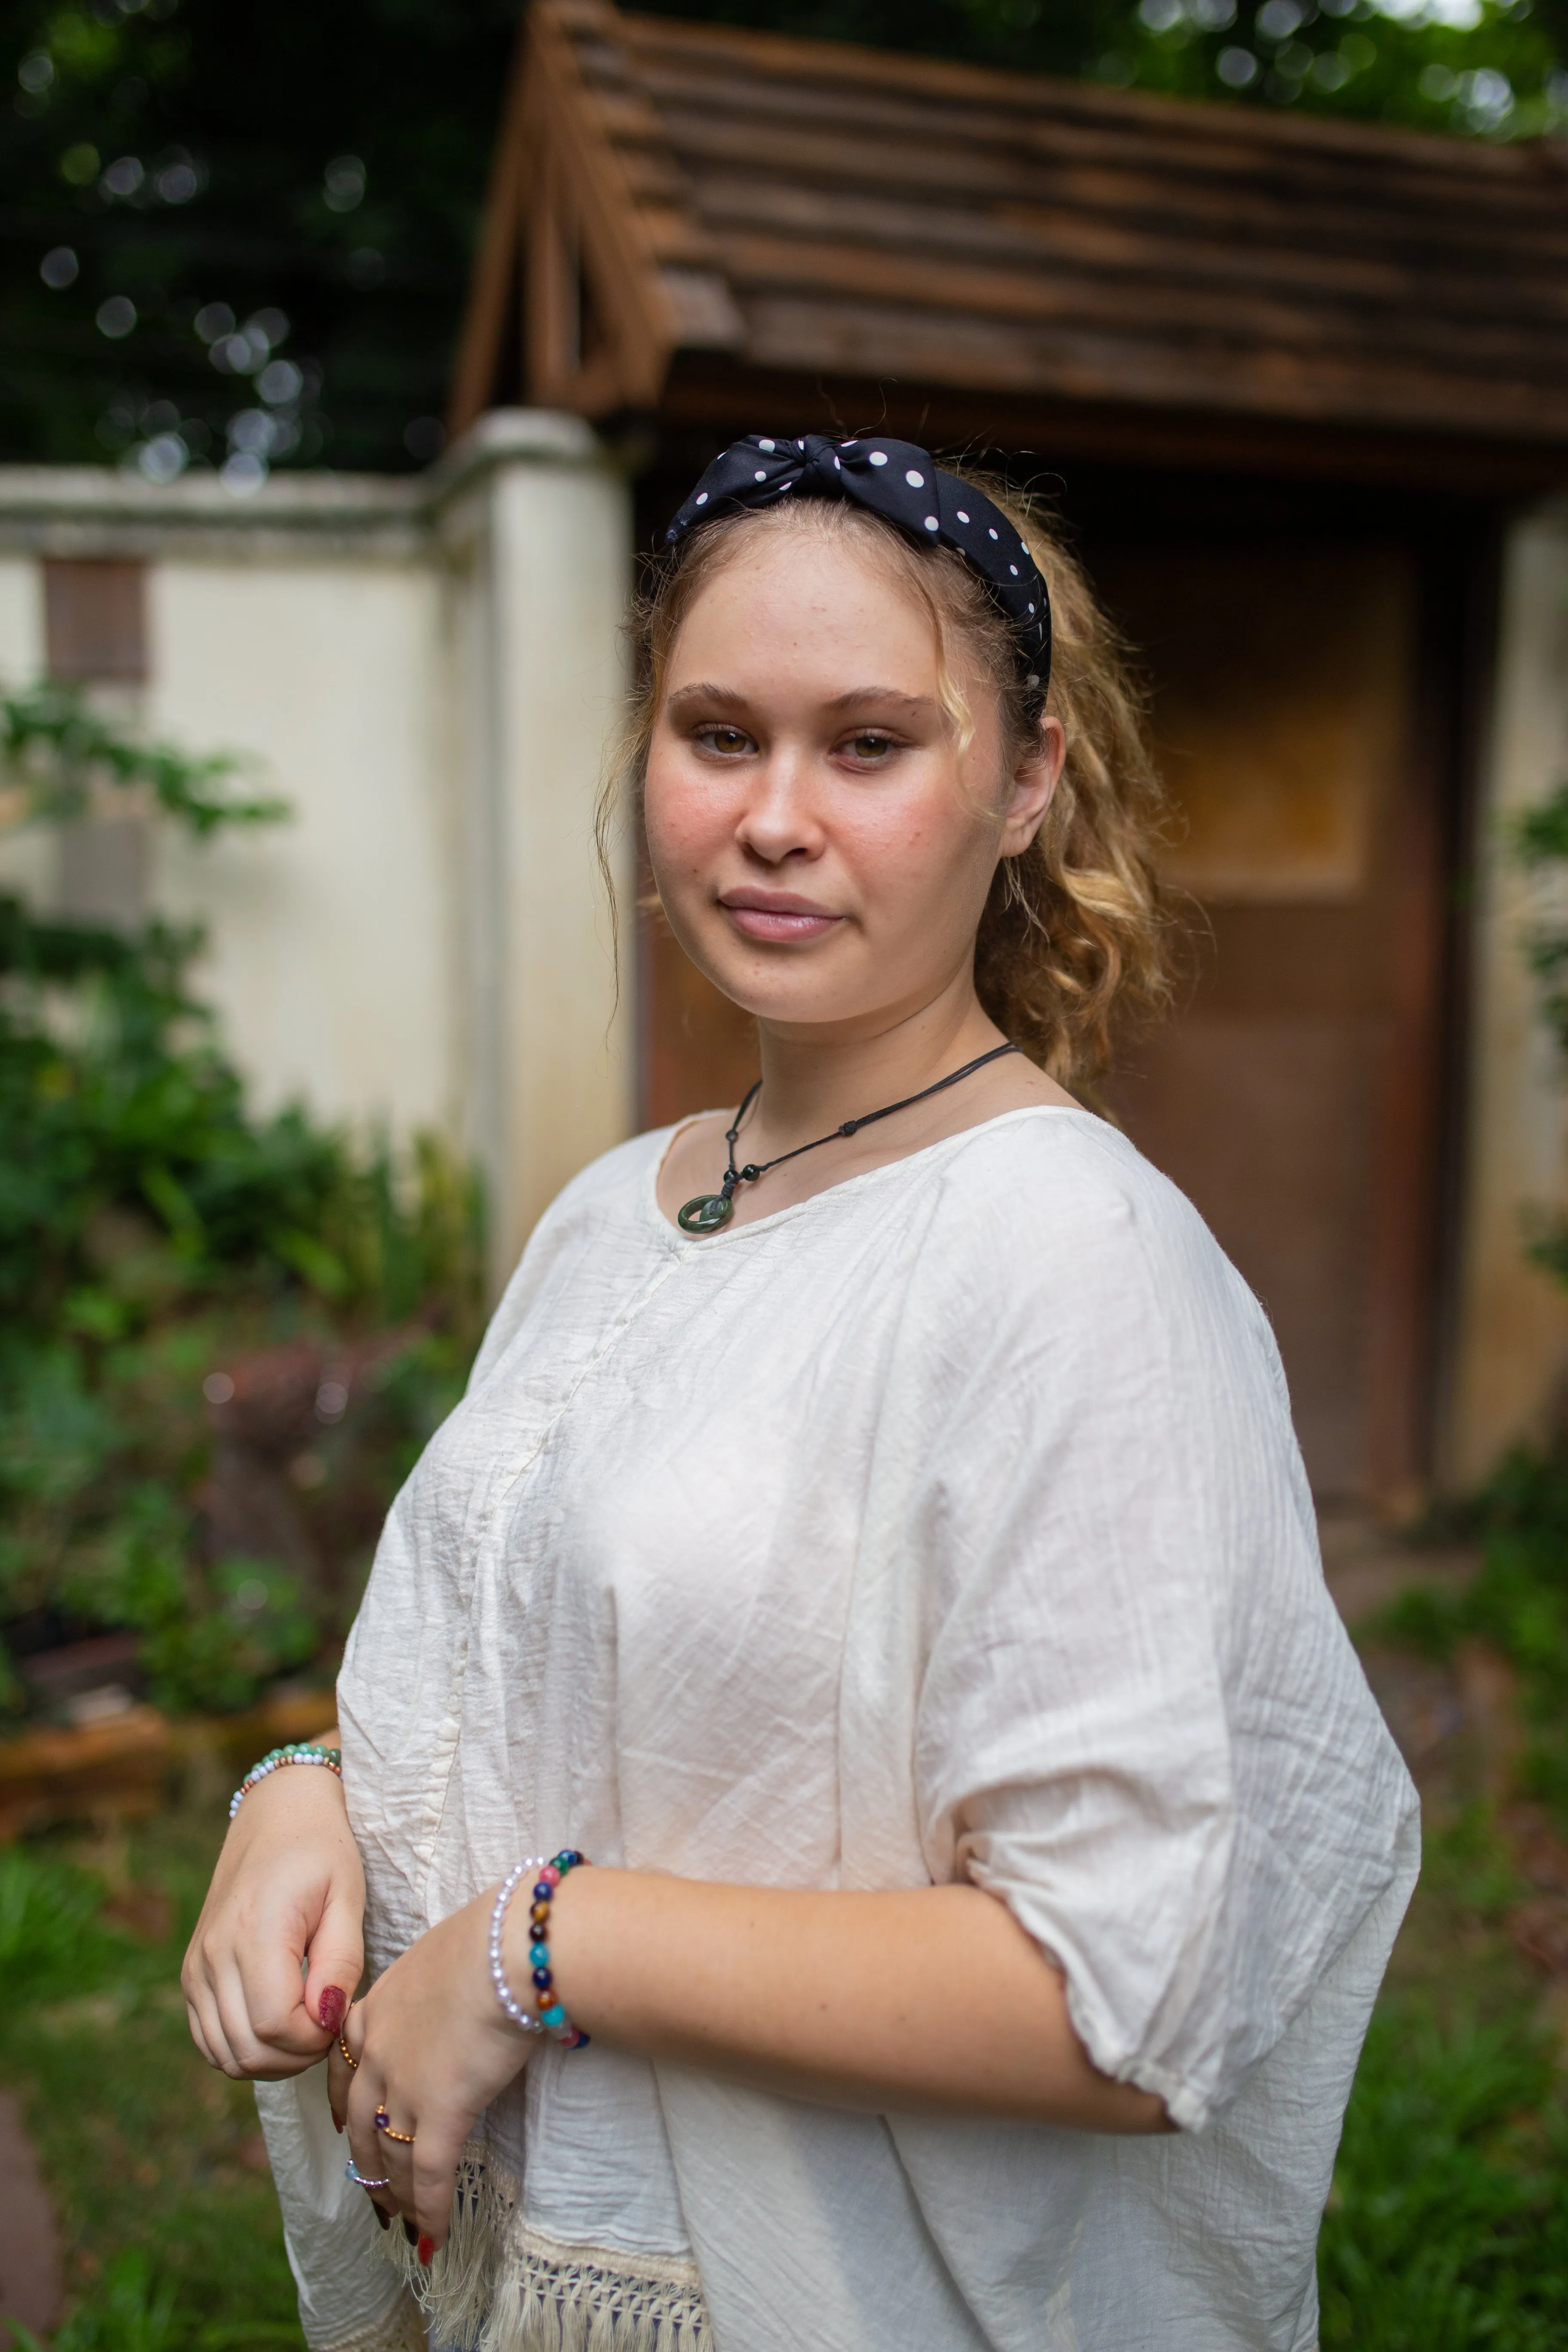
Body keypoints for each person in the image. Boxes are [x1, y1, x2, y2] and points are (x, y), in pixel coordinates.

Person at [183, 433, 1419, 2352]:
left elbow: (1120, 1991)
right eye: (717, 732)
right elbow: (563, 1672)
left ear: (1022, 784)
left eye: (868, 744)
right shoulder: (620, 1207)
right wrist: (306, 1805)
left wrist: (531, 1950)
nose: (773, 816)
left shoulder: (1068, 1258)